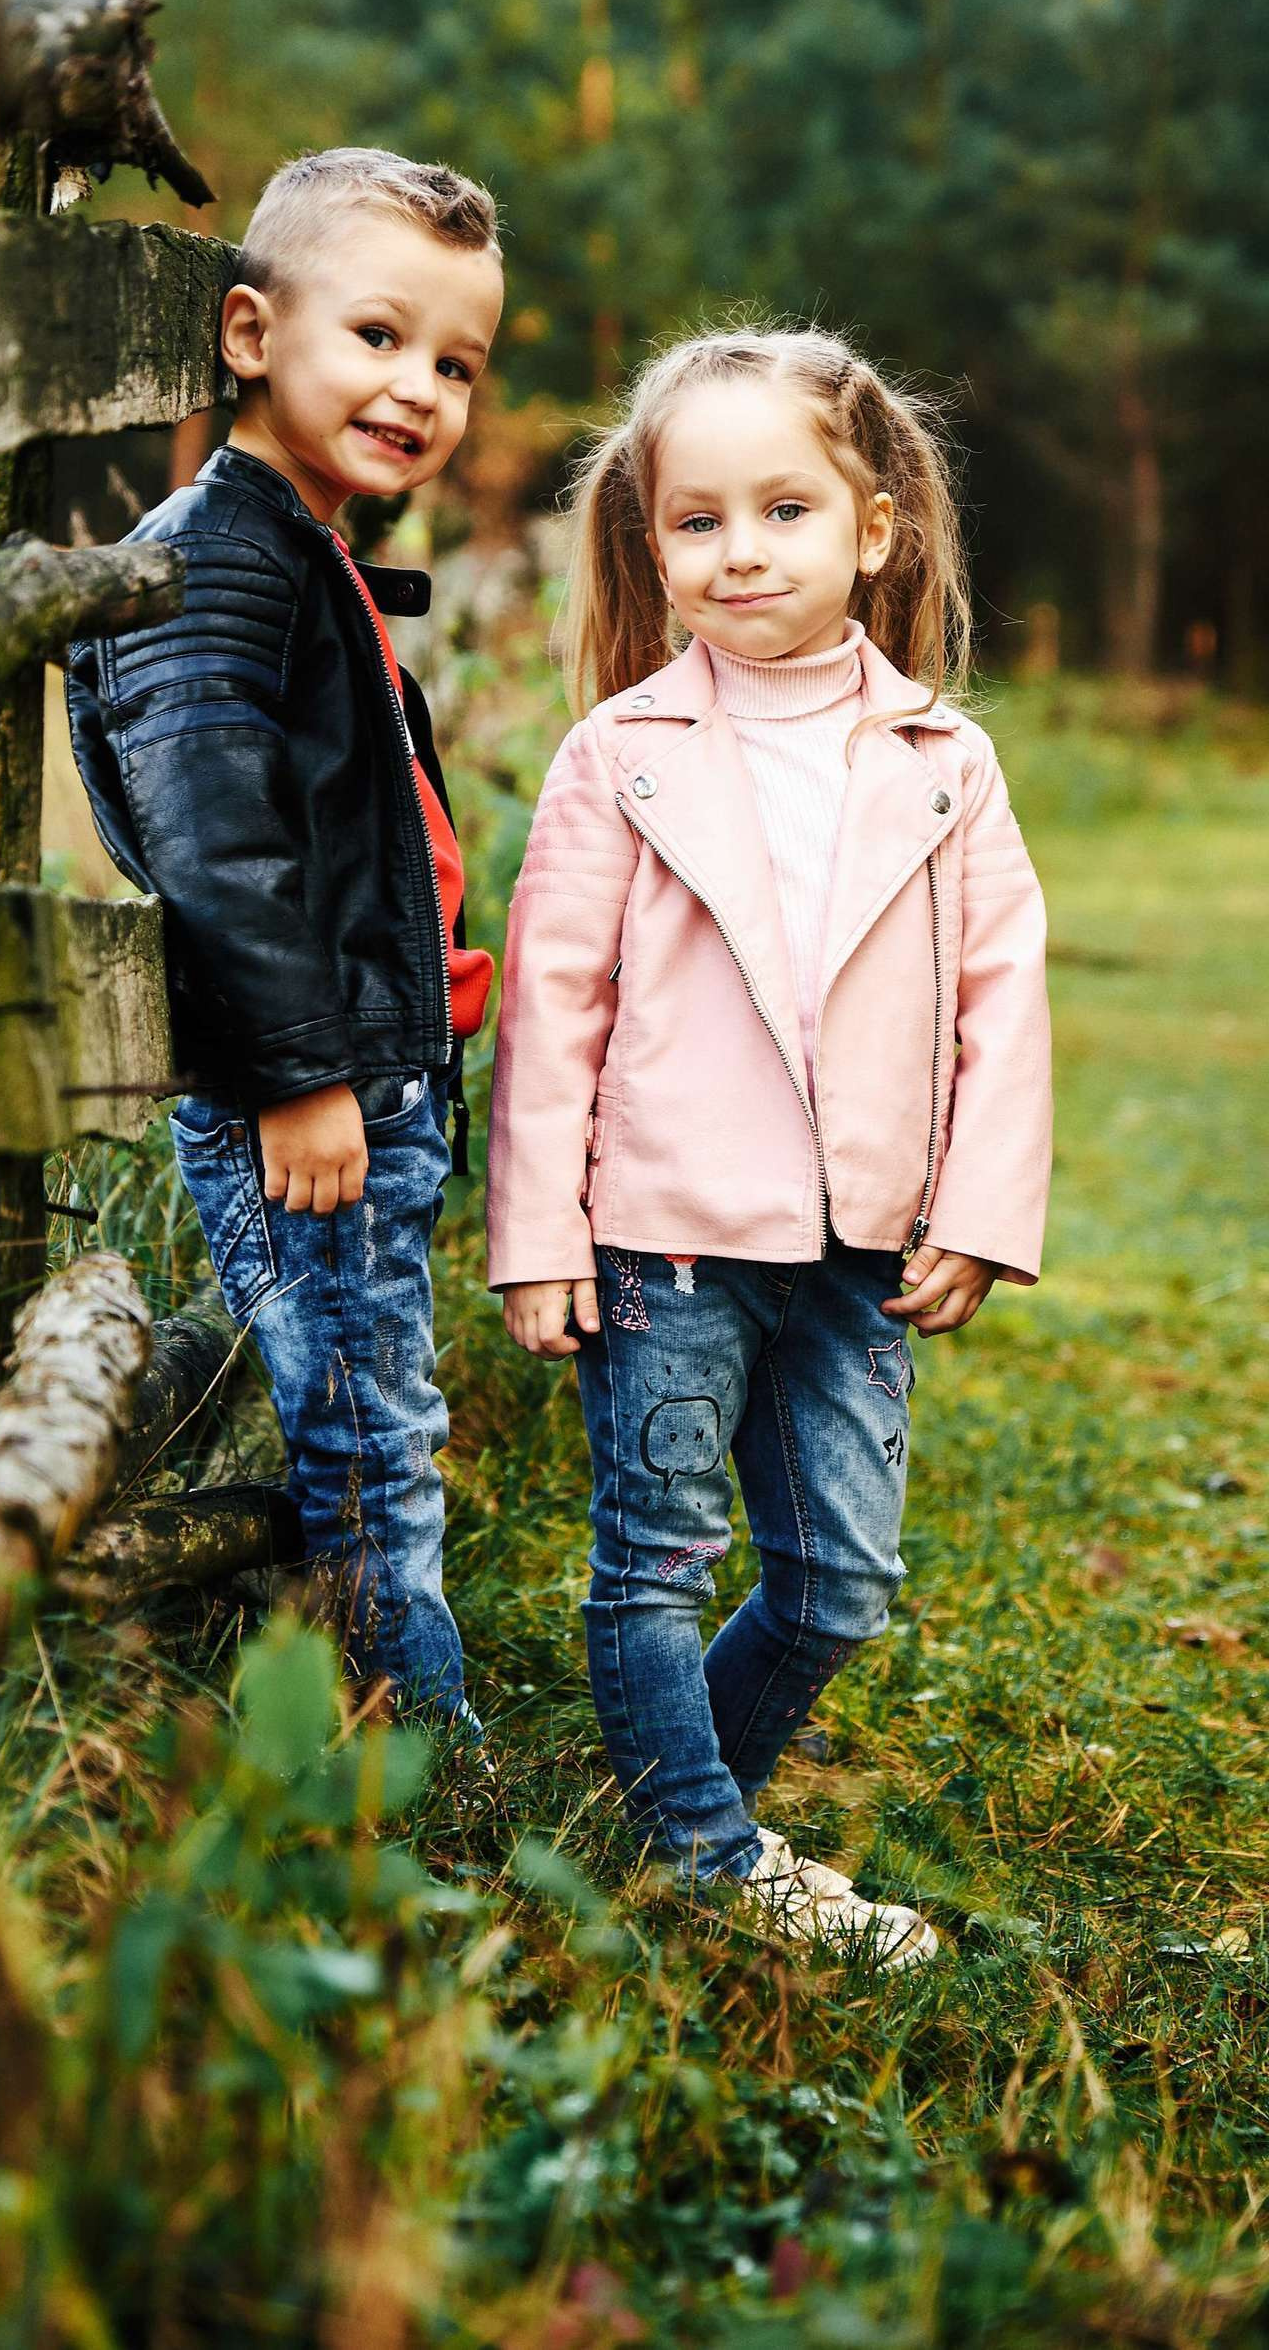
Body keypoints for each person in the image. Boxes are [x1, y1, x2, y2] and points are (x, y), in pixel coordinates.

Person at [487, 326, 1052, 1961]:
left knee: (838, 1583)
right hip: (665, 1236)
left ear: (872, 530)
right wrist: (536, 1233)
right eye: (698, 520)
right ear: (651, 545)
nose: (742, 551)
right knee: (654, 1561)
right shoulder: (624, 757)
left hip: (863, 1242)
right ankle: (706, 1852)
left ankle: (665, 1814)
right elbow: (555, 1008)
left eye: (785, 510)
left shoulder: (948, 759)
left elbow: (1000, 1004)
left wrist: (981, 1206)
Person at [68, 146, 504, 1729]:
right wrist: (303, 1075)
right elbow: (217, 843)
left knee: (378, 1403)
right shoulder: (213, 557)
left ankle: (373, 1711)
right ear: (251, 335)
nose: (419, 390)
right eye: (377, 338)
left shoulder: (300, 543)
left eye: (455, 362)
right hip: (307, 1106)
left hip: (366, 1090)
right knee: (369, 1432)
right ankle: (418, 1756)